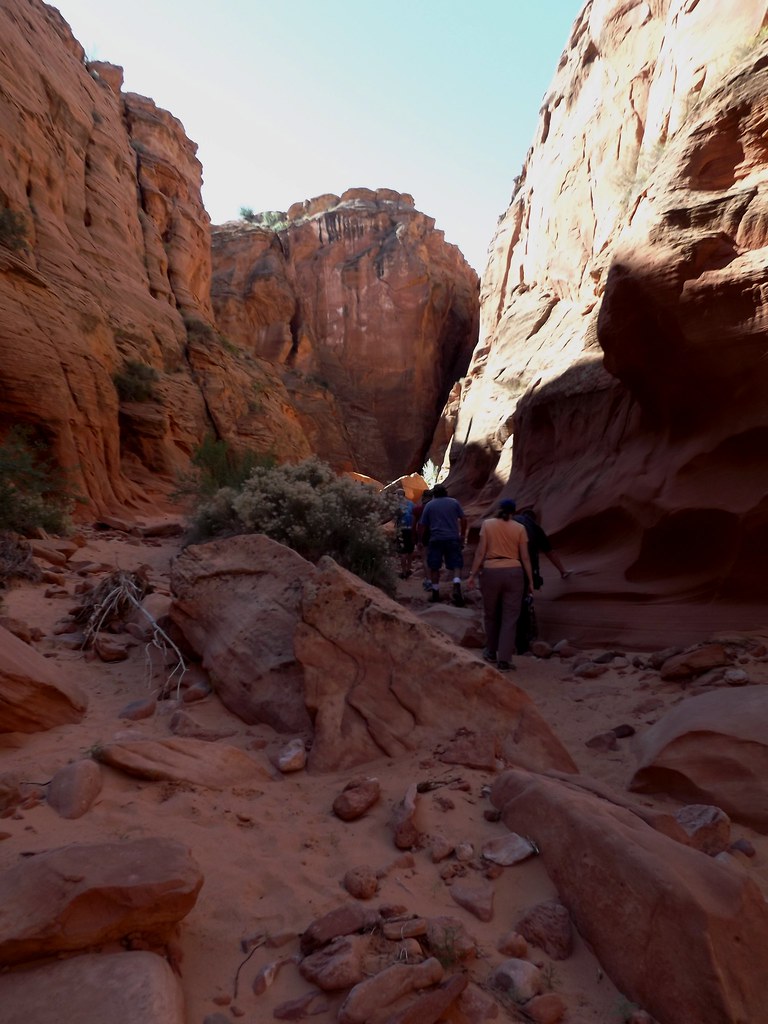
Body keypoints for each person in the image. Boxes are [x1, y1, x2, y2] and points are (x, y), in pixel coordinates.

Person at [466, 498, 533, 671]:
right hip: (514, 572)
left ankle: (490, 651)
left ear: (499, 509)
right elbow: (525, 557)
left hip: (491, 571)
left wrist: (472, 574)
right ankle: (504, 659)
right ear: (514, 512)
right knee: (510, 617)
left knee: (491, 614)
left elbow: (481, 552)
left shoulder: (488, 525)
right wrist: (530, 580)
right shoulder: (520, 528)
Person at [513, 505, 571, 653]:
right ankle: (521, 643)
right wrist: (563, 571)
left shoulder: (510, 521)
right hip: (524, 568)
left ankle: (497, 643)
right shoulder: (535, 528)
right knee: (523, 603)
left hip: (502, 566)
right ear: (534, 519)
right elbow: (550, 552)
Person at [417, 483, 467, 606]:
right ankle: (456, 585)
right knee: (456, 564)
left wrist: (419, 540)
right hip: (452, 537)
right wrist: (462, 535)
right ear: (446, 492)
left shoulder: (429, 505)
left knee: (434, 566)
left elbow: (422, 525)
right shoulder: (454, 503)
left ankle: (435, 592)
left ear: (434, 494)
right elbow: (464, 519)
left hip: (436, 539)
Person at [412, 488, 433, 590]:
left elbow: (414, 524)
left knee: (425, 558)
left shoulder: (418, 509)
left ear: (423, 497)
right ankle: (434, 580)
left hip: (423, 534)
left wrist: (415, 537)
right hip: (435, 534)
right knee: (434, 557)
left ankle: (428, 580)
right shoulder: (435, 508)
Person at [394, 488, 415, 579]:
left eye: (396, 495)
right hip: (411, 529)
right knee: (410, 550)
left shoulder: (397, 505)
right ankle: (408, 569)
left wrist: (380, 523)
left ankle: (403, 572)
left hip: (402, 529)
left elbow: (391, 516)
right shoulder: (411, 503)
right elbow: (415, 516)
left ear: (399, 495)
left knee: (403, 551)